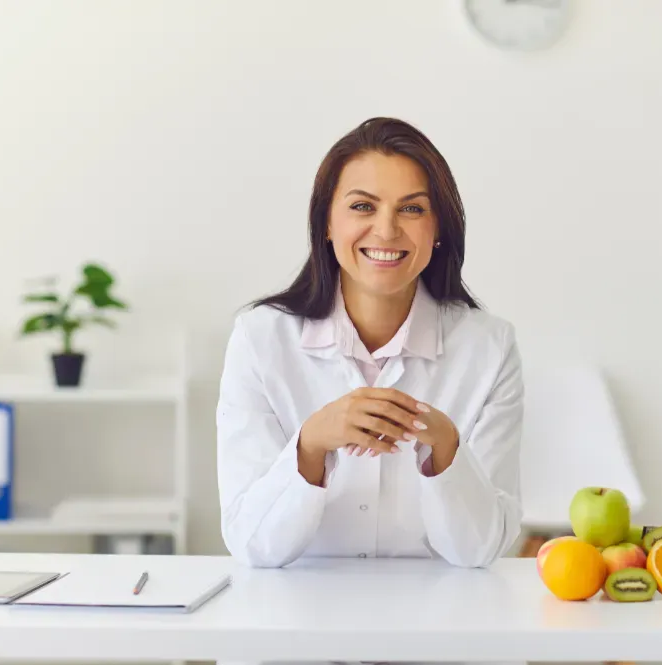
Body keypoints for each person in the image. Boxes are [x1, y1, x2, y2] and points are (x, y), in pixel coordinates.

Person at [216, 117, 524, 569]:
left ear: (438, 228)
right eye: (363, 206)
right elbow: (252, 544)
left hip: (441, 620)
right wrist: (312, 444)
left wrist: (445, 448)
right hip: (295, 620)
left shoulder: (490, 347)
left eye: (412, 209)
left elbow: (479, 551)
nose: (386, 230)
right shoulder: (259, 340)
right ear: (326, 222)